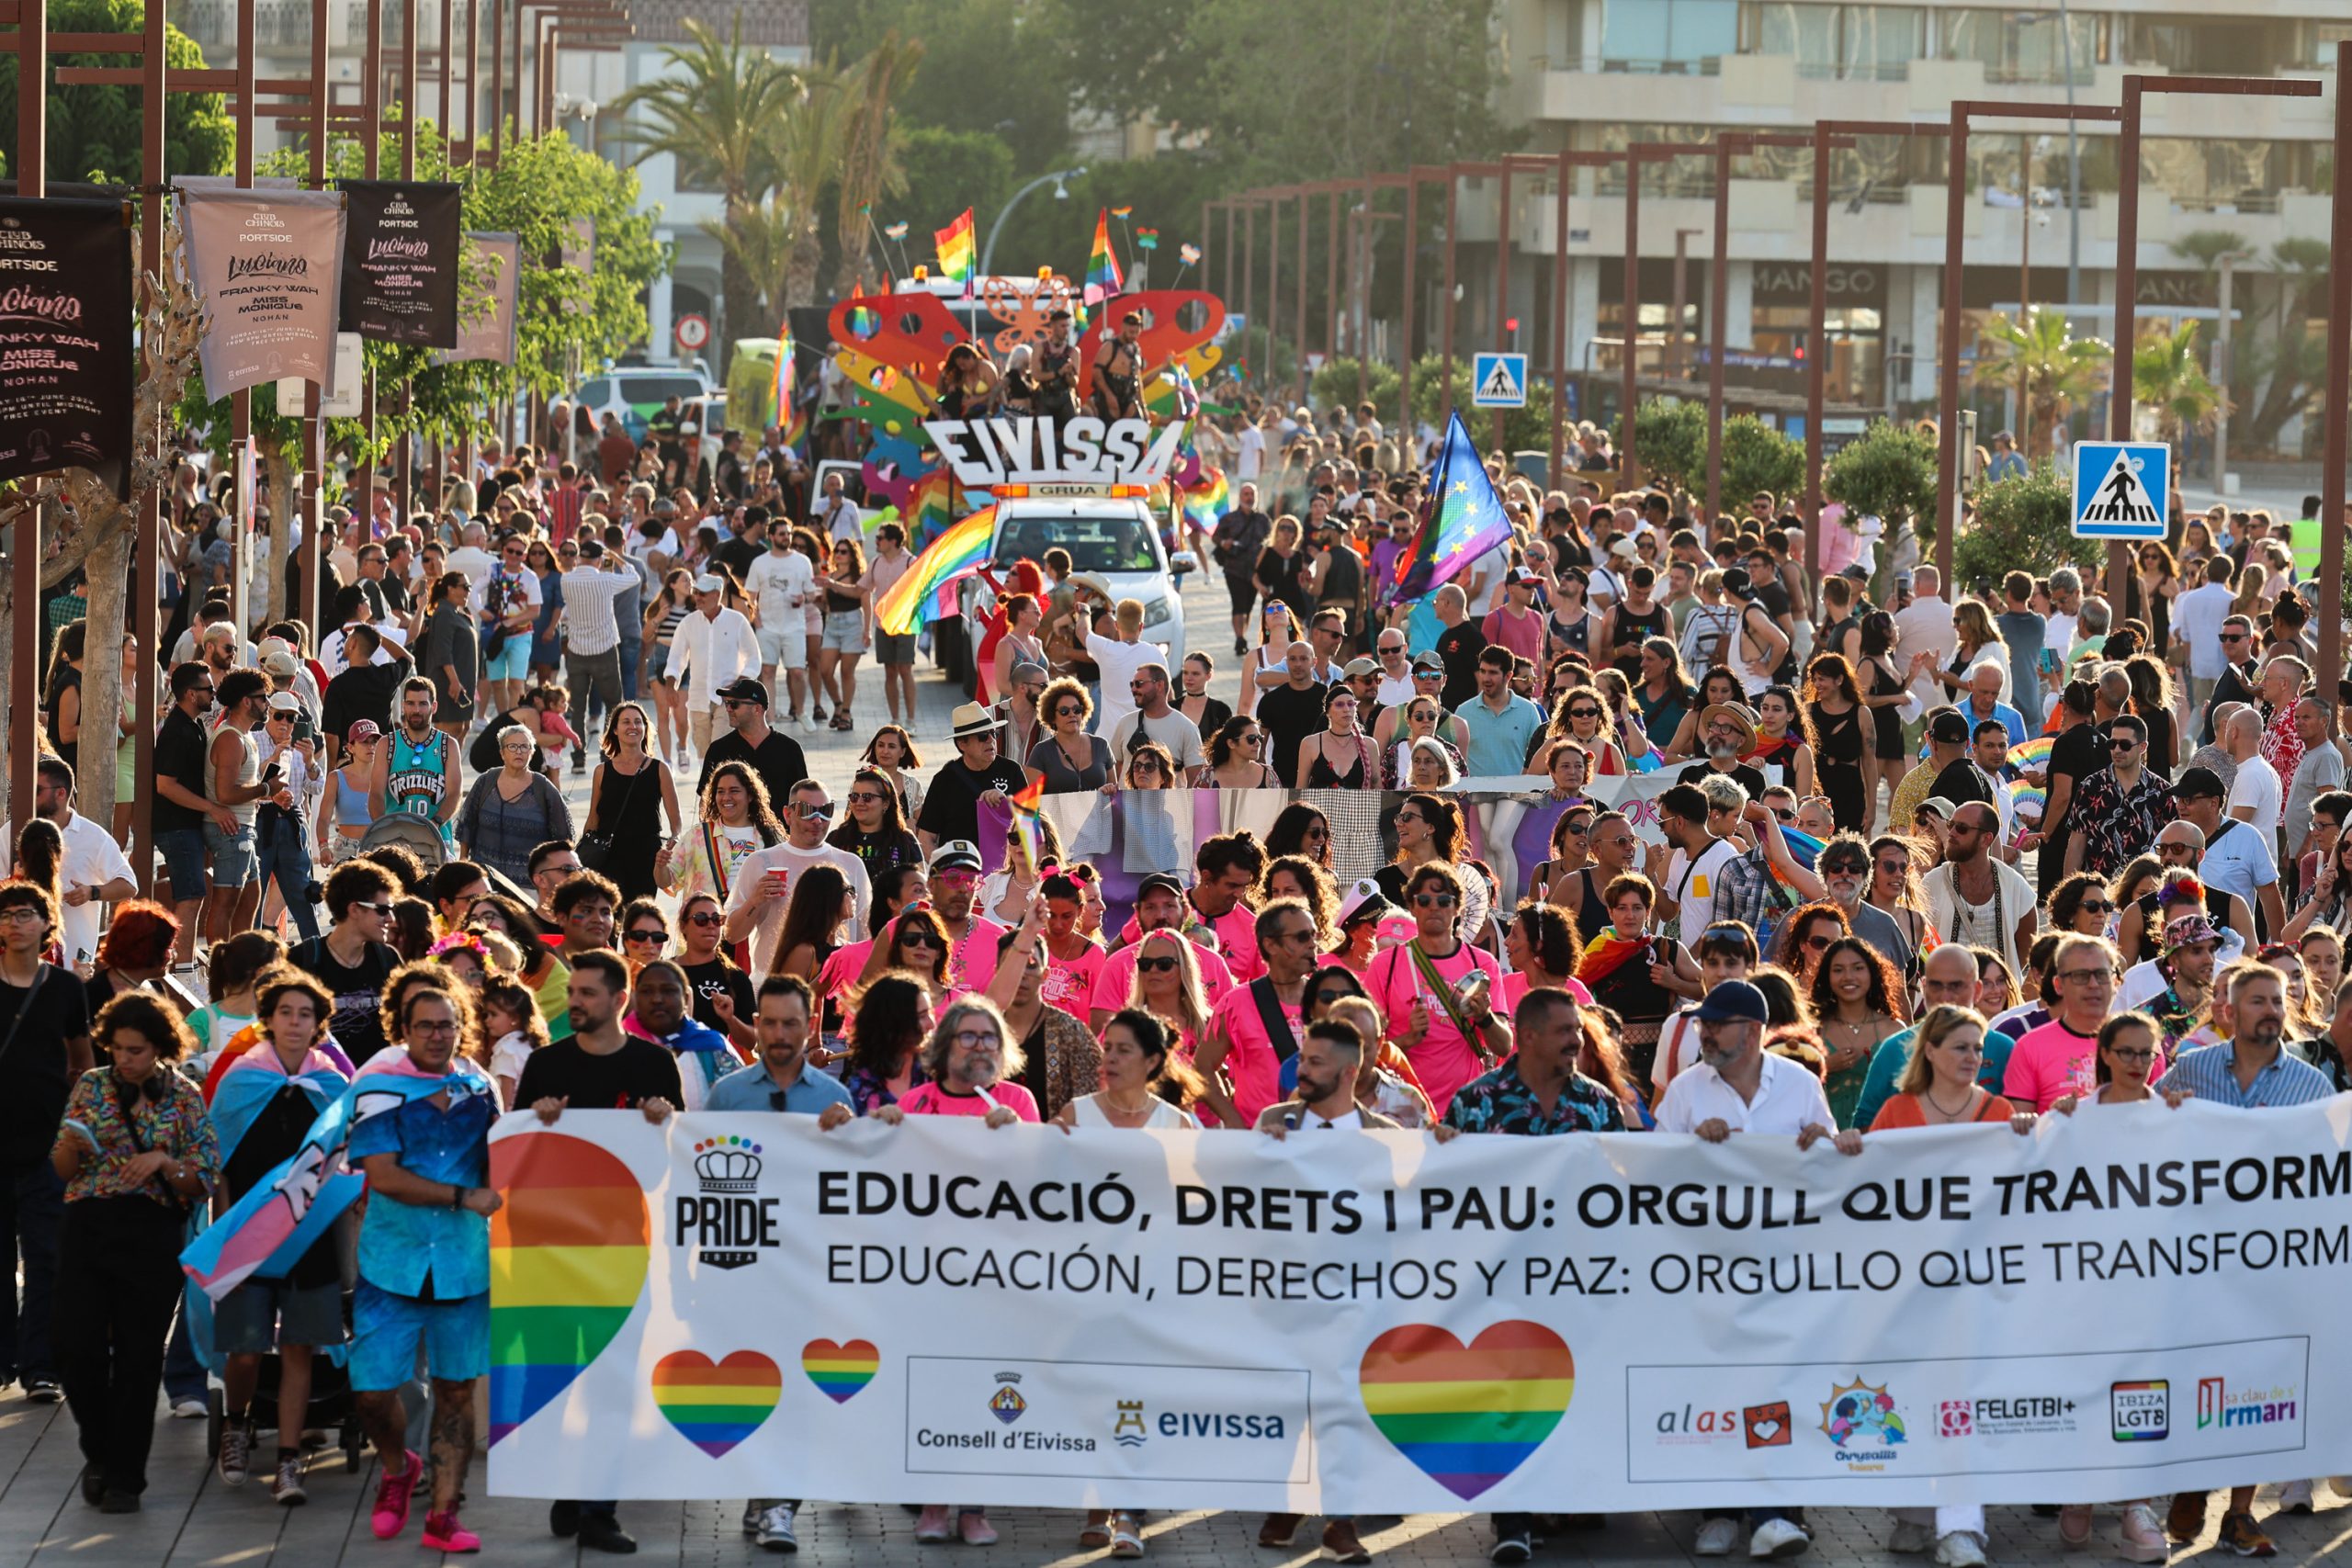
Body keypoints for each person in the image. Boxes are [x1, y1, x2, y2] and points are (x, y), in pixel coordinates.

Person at [2151, 961, 2335, 1556]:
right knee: (2197, 1374)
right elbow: (2134, 1133)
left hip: (2273, 1266)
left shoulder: (2312, 1088)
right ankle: (2190, 1477)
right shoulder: (2192, 1070)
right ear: (2229, 1009)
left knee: (2262, 1381)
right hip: (2198, 1260)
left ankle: (2236, 1512)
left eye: (2278, 1002)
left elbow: (2335, 1175)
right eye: (2259, 1001)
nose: (2272, 1012)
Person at [1654, 978, 1837, 1559]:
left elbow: (1832, 1169)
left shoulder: (1801, 1086)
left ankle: (1773, 1512)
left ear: (1752, 1031)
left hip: (1782, 1269)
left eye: (1717, 1023)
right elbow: (1654, 1173)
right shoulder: (1686, 1092)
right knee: (1716, 1386)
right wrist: (1690, 1148)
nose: (1704, 1032)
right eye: (1704, 1023)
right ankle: (1721, 1513)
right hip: (1708, 1269)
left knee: (1773, 1385)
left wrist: (1822, 1143)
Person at [516, 950, 679, 1553]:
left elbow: (674, 1165)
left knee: (614, 1380)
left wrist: (664, 1124)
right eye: (574, 991)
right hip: (553, 1253)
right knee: (556, 1377)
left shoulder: (655, 1064)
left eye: (586, 993)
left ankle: (600, 1507)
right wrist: (536, 1122)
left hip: (623, 1252)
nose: (574, 1001)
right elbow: (515, 1159)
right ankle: (569, 1484)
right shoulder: (544, 1064)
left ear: (619, 1000)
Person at [345, 981, 502, 1553]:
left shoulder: (480, 1089)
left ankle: (444, 1515)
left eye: (446, 1025)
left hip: (464, 1267)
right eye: (424, 1026)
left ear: (462, 1027)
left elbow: (505, 1158)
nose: (437, 1036)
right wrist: (462, 1198)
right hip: (391, 1265)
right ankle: (397, 1467)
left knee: (456, 1393)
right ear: (403, 1031)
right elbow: (382, 1176)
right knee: (371, 1392)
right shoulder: (379, 1088)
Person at [49, 991, 217, 1512]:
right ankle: (98, 1450)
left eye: (137, 1050)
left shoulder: (185, 1098)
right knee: (76, 1350)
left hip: (150, 1232)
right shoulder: (91, 1087)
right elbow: (62, 1172)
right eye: (118, 1048)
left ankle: (125, 1478)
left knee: (140, 1358)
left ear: (160, 1048)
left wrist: (164, 1163)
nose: (125, 1059)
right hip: (88, 1225)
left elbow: (204, 1179)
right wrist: (70, 1149)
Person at [205, 968, 348, 1505]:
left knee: (298, 1348)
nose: (294, 1022)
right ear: (267, 1020)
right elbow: (218, 1161)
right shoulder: (241, 1080)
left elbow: (345, 1161)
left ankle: (290, 1461)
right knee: (244, 1351)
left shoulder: (333, 1086)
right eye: (285, 1012)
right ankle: (236, 1426)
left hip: (310, 1235)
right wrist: (223, 1230)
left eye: (305, 1014)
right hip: (248, 1232)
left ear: (318, 1026)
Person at [1364, 862, 1505, 1118]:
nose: (1434, 907)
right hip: (1402, 1110)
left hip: (1463, 1110)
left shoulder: (1482, 964)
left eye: (1444, 900)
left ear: (1457, 907)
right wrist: (1405, 1040)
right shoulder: (1386, 964)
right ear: (1411, 906)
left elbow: (1504, 1046)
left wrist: (1485, 1018)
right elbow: (1364, 1052)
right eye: (1425, 899)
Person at [725, 779, 872, 980]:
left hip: (836, 984)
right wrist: (755, 901)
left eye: (825, 810)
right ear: (788, 814)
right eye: (807, 810)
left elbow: (866, 935)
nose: (817, 820)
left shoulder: (851, 864)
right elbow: (732, 934)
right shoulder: (760, 862)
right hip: (773, 985)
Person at [0, 756, 135, 972]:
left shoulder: (93, 836)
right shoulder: (11, 831)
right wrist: (17, 883)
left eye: (36, 790)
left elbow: (129, 884)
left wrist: (92, 892)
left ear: (61, 793)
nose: (28, 797)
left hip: (75, 968)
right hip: (20, 967)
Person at [288, 860, 404, 1066]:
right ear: (354, 910)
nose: (391, 918)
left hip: (379, 1085)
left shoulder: (387, 958)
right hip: (321, 1086)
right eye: (383, 909)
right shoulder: (300, 961)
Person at [1923, 803, 2037, 980]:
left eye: (1961, 828)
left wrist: (1998, 983)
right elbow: (1919, 942)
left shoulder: (2014, 884)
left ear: (1986, 839)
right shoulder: (1933, 882)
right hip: (1947, 996)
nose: (1951, 833)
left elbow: (2026, 946)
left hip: (1997, 999)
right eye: (1950, 825)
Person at [584, 700, 683, 903]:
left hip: (645, 857)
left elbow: (676, 822)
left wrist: (672, 842)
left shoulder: (660, 769)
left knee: (639, 919)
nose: (633, 727)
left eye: (638, 722)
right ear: (615, 730)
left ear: (645, 729)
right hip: (608, 857)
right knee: (609, 916)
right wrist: (581, 855)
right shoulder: (601, 772)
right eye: (626, 722)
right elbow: (593, 817)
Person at [455, 724, 574, 886]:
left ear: (532, 753)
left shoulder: (543, 788)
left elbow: (563, 837)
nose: (519, 751)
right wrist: (463, 860)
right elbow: (468, 824)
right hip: (486, 881)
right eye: (512, 746)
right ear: (502, 753)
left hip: (529, 885)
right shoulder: (486, 781)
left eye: (525, 747)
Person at [916, 703, 1028, 857]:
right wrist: (945, 871)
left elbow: (1032, 821)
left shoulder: (1011, 770)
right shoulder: (944, 780)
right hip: (962, 871)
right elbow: (926, 838)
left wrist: (1007, 802)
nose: (991, 740)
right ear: (962, 744)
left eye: (994, 733)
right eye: (983, 736)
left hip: (1003, 869)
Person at [695, 672, 808, 812]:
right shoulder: (718, 749)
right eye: (727, 703)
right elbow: (705, 802)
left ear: (757, 709)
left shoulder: (789, 749)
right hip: (731, 833)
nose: (728, 709)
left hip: (778, 833)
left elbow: (803, 800)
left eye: (734, 704)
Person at [1027, 677, 1114, 794]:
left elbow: (1115, 794)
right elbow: (1032, 799)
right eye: (1064, 711)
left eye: (1077, 709)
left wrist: (1108, 791)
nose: (1072, 714)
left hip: (1099, 812)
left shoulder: (1101, 745)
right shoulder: (1041, 751)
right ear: (1052, 717)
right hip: (1054, 812)